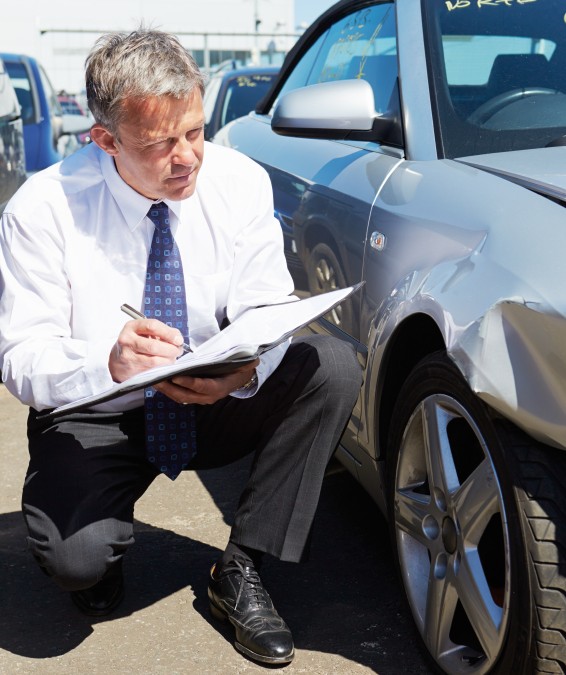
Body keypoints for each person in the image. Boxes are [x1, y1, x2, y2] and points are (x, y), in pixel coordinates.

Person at [0, 29, 362, 666]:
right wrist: (104, 361)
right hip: (101, 408)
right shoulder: (42, 208)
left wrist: (245, 370)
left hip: (213, 397)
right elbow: (20, 357)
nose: (188, 157)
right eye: (160, 143)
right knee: (77, 564)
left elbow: (266, 305)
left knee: (328, 365)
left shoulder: (238, 182)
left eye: (194, 130)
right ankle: (97, 538)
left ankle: (242, 570)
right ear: (105, 140)